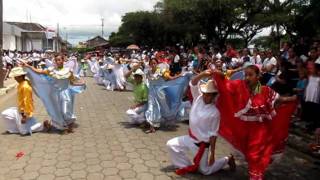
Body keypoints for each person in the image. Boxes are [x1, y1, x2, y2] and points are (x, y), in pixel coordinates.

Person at [213, 65, 297, 180]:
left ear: (258, 76)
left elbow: (279, 100)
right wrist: (218, 74)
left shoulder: (266, 91)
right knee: (250, 155)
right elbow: (224, 86)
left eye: (250, 75)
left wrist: (293, 99)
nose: (247, 77)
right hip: (243, 129)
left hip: (260, 130)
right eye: (246, 75)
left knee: (255, 156)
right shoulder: (238, 86)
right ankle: (252, 172)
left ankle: (256, 177)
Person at [166, 70, 236, 175]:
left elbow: (213, 134)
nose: (206, 96)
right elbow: (193, 83)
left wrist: (212, 153)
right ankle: (188, 166)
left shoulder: (215, 112)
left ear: (214, 96)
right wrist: (203, 74)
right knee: (171, 144)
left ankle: (227, 159)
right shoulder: (198, 98)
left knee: (205, 171)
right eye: (205, 94)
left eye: (209, 95)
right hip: (190, 138)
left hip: (202, 145)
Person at [23, 55, 85, 133]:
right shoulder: (52, 70)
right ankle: (62, 126)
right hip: (56, 94)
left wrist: (80, 84)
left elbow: (72, 82)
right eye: (56, 60)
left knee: (66, 110)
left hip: (66, 93)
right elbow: (39, 72)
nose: (57, 62)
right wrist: (29, 66)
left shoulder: (68, 71)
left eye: (59, 60)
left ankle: (69, 125)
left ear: (63, 60)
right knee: (57, 111)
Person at [1, 67, 50, 135]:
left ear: (21, 76)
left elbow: (28, 101)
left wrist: (24, 116)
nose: (15, 78)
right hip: (20, 109)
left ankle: (42, 126)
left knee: (24, 132)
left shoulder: (25, 86)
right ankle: (14, 129)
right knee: (5, 114)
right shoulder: (23, 83)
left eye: (16, 77)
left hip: (24, 111)